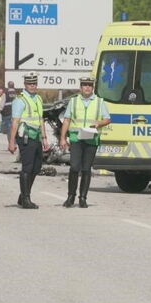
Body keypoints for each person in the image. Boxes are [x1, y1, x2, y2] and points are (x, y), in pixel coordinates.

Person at [59, 76, 111, 208]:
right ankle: (71, 196)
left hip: (91, 139)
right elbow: (66, 120)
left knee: (86, 169)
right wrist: (63, 138)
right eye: (85, 85)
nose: (87, 87)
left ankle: (83, 198)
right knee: (74, 167)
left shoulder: (99, 102)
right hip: (77, 138)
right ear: (80, 87)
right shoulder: (74, 101)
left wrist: (99, 123)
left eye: (89, 85)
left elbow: (107, 119)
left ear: (93, 87)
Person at [8, 72, 48, 209]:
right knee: (27, 167)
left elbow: (41, 119)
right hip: (25, 137)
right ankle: (26, 199)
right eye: (30, 84)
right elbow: (15, 122)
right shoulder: (20, 100)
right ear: (25, 85)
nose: (32, 86)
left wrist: (44, 138)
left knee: (36, 167)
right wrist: (11, 142)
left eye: (34, 83)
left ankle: (23, 195)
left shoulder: (38, 98)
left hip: (36, 136)